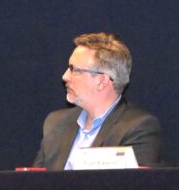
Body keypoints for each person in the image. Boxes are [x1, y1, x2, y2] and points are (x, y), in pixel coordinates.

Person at [33, 32, 163, 169]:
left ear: (101, 81)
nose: (65, 76)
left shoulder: (138, 127)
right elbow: (35, 182)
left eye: (74, 70)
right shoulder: (56, 123)